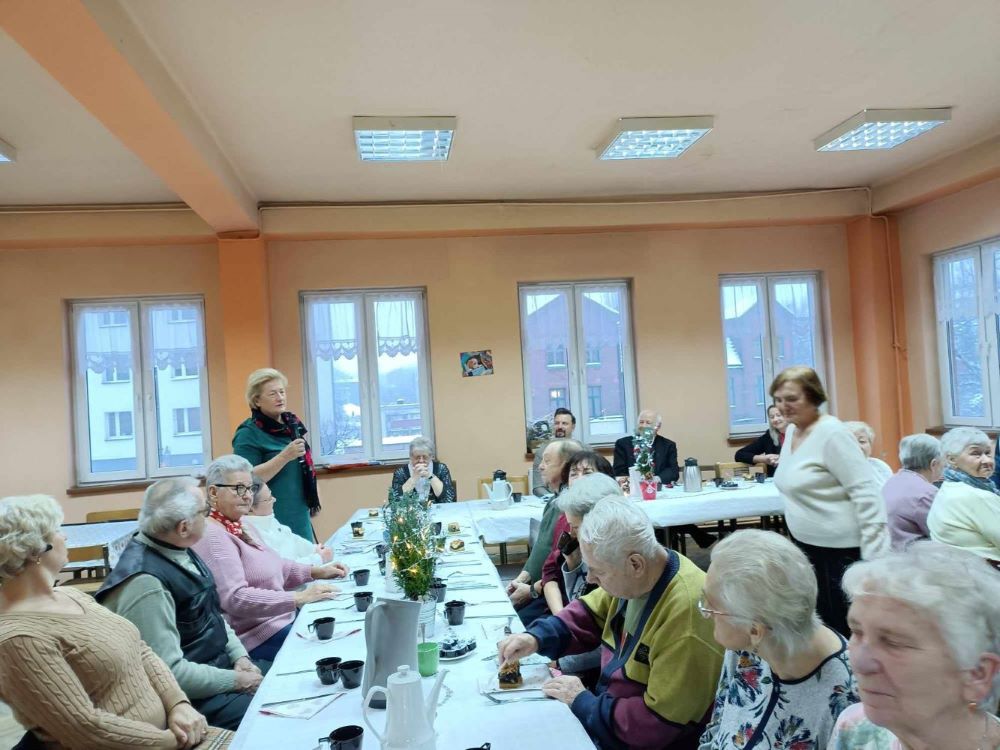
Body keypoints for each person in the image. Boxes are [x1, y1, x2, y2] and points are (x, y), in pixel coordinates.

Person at [499, 497, 723, 750]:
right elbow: (590, 612)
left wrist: (583, 701)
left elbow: (657, 727)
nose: (591, 578)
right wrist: (536, 638)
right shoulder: (643, 574)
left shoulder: (687, 620)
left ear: (635, 564)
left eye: (598, 571)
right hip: (612, 714)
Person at [0, 494, 216, 749]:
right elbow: (85, 728)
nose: (65, 536)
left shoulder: (71, 594)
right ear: (36, 550)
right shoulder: (19, 638)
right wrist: (172, 740)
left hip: (171, 732)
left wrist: (178, 704)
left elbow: (140, 649)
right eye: (57, 530)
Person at [97, 477, 262, 731]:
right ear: (184, 527)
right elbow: (171, 674)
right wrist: (237, 679)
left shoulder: (176, 547)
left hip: (219, 669)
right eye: (204, 511)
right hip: (192, 701)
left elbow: (213, 614)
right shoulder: (146, 583)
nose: (209, 517)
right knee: (276, 713)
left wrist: (240, 656)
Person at [828, 542, 1000, 750]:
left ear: (976, 674)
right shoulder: (854, 730)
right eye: (857, 632)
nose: (860, 663)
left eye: (894, 643)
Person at [697, 529, 858, 750]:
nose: (705, 611)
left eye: (711, 605)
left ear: (755, 630)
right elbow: (715, 732)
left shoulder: (848, 702)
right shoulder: (745, 649)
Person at [192, 455, 347, 661]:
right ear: (213, 492)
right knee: (334, 652)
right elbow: (236, 598)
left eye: (249, 488)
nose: (247, 496)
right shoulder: (213, 536)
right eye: (239, 488)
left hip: (282, 620)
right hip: (258, 637)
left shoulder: (241, 524)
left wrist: (315, 571)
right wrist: (298, 597)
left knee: (342, 626)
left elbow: (276, 566)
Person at [771, 366, 889, 636]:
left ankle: (855, 676)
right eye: (778, 400)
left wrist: (874, 560)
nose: (783, 406)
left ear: (813, 397)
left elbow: (867, 494)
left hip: (842, 552)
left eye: (791, 398)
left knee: (847, 626)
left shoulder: (832, 434)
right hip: (808, 545)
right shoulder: (792, 432)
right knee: (823, 621)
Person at [541, 471, 621, 682]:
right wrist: (573, 564)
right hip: (585, 653)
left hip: (602, 670)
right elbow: (580, 603)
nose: (571, 533)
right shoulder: (591, 548)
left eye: (575, 527)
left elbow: (613, 641)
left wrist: (562, 662)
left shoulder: (615, 561)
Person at [233, 368, 320, 542]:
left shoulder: (291, 425)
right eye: (272, 394)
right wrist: (284, 456)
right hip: (272, 516)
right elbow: (245, 479)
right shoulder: (248, 432)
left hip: (299, 512)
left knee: (311, 563)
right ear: (256, 400)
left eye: (282, 392)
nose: (280, 397)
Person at [506, 438, 582, 625]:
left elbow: (559, 565)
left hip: (556, 591)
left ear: (566, 467)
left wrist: (531, 589)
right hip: (541, 585)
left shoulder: (572, 508)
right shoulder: (553, 501)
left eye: (547, 461)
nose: (540, 467)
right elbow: (542, 549)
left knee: (517, 624)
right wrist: (520, 579)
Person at [541, 451, 616, 616]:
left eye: (587, 473)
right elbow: (550, 572)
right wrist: (561, 617)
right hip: (565, 606)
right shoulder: (567, 518)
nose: (579, 479)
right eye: (573, 474)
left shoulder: (612, 534)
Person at [926, 427, 1000, 562]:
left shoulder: (948, 487)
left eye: (988, 453)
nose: (987, 461)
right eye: (976, 454)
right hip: (986, 576)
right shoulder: (976, 496)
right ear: (952, 459)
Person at [245, 480, 334, 565]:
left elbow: (293, 540)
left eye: (271, 495)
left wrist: (314, 549)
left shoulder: (268, 520)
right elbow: (283, 568)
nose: (274, 500)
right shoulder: (251, 534)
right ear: (250, 507)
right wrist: (318, 558)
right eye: (268, 499)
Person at [881, 433, 942, 550]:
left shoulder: (891, 482)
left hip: (889, 556)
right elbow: (943, 535)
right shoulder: (927, 493)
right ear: (933, 464)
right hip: (914, 560)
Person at [613, 409, 680, 487]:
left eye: (648, 423)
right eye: (641, 422)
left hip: (659, 488)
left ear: (658, 426)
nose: (643, 426)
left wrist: (655, 479)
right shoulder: (623, 444)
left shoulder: (668, 445)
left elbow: (673, 471)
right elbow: (619, 472)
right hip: (633, 489)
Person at [389, 437, 456, 503]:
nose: (421, 461)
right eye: (417, 457)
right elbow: (394, 501)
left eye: (425, 457)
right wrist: (414, 478)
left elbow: (449, 498)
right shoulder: (400, 473)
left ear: (431, 456)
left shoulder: (441, 469)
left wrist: (429, 475)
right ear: (411, 456)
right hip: (411, 512)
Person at [531, 408, 576, 497]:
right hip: (552, 499)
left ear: (573, 427)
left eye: (564, 423)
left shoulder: (583, 450)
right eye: (557, 423)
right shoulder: (542, 451)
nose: (560, 427)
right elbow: (538, 487)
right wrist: (554, 500)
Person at [733, 404, 786, 477]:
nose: (775, 419)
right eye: (772, 417)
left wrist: (783, 459)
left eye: (779, 415)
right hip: (775, 482)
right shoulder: (768, 437)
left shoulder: (799, 433)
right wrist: (763, 459)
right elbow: (739, 455)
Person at [844, 421, 893, 487]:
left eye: (862, 441)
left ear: (870, 445)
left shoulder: (880, 466)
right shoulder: (837, 470)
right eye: (851, 441)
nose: (858, 446)